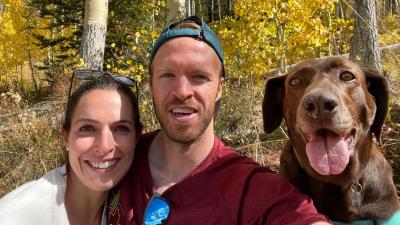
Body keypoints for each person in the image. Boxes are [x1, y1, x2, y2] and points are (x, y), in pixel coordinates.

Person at [107, 16, 331, 225]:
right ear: (151, 85)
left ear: (219, 88)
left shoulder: (249, 188)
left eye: (199, 77)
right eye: (167, 75)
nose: (182, 91)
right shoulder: (116, 159)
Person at [0, 72, 142, 225]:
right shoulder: (18, 216)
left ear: (137, 137)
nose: (104, 146)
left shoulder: (131, 205)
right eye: (87, 128)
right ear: (66, 137)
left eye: (121, 128)